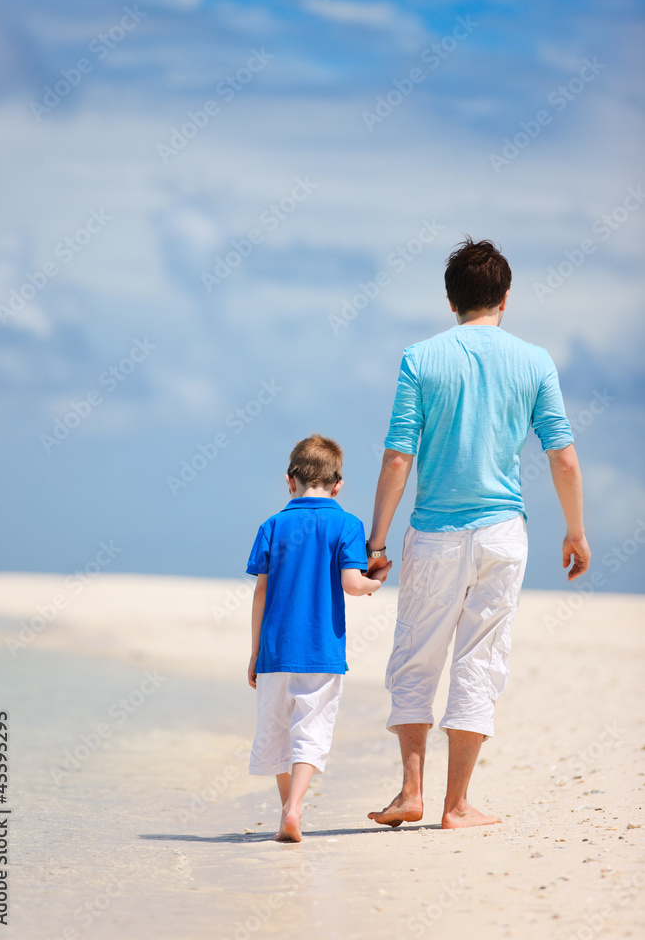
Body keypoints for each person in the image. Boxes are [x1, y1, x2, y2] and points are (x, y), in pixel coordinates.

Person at [365, 237, 591, 830]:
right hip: (501, 533)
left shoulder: (421, 357)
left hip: (434, 532)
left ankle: (411, 793)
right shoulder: (535, 360)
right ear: (505, 298)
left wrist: (376, 542)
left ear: (451, 300)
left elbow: (396, 457)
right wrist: (575, 531)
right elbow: (562, 457)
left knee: (415, 657)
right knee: (480, 660)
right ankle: (456, 805)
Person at [247, 434, 392, 842]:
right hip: (322, 652)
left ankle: (285, 812)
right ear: (338, 484)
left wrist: (255, 651)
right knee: (309, 732)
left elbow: (261, 592)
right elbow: (351, 582)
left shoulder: (272, 526)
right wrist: (374, 583)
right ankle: (295, 808)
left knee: (275, 732)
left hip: (276, 652)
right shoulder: (347, 524)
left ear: (289, 480)